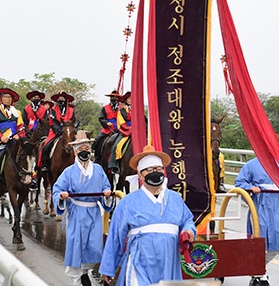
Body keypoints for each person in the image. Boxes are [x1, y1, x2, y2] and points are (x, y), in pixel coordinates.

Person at [99, 144, 196, 286]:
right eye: (149, 170)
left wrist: (188, 230)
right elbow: (115, 236)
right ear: (140, 174)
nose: (154, 172)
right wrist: (108, 267)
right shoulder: (128, 202)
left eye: (158, 169)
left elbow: (187, 220)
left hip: (169, 262)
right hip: (140, 261)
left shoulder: (175, 198)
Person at [52, 130, 113, 286]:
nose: (84, 152)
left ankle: (85, 270)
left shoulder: (98, 170)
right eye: (80, 150)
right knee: (76, 244)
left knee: (94, 245)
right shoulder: (68, 172)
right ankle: (77, 278)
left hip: (93, 212)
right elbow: (57, 189)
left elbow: (106, 186)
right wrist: (61, 196)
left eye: (86, 149)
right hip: (77, 213)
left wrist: (107, 194)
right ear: (75, 152)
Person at [235, 157, 279, 286]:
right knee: (258, 242)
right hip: (259, 207)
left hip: (276, 207)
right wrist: (251, 188)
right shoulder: (251, 165)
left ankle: (257, 268)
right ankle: (260, 274)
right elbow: (240, 183)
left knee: (278, 241)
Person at [0, 88, 26, 193]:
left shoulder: (17, 113)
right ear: (1, 99)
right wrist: (1, 137)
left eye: (10, 97)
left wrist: (19, 135)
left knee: (27, 156)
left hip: (15, 141)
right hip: (2, 140)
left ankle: (31, 179)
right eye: (5, 97)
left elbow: (21, 127)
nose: (8, 99)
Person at [92, 90, 120, 163]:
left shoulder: (121, 108)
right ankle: (97, 157)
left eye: (116, 97)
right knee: (98, 140)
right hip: (108, 129)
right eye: (112, 97)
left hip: (120, 128)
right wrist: (106, 123)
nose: (114, 99)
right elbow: (101, 117)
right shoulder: (105, 107)